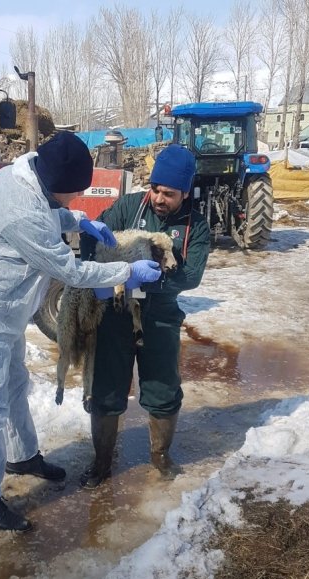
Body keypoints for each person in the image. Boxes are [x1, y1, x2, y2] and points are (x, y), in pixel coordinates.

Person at [0, 132, 161, 532]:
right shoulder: (21, 209)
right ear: (55, 182)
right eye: (73, 194)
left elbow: (48, 213)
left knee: (13, 385)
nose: (75, 199)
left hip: (1, 310)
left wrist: (79, 221)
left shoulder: (24, 177)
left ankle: (22, 456)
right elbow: (70, 271)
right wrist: (127, 272)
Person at [79, 144, 210, 488]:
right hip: (118, 312)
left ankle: (161, 456)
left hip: (161, 316)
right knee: (106, 388)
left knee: (163, 389)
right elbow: (94, 242)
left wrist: (158, 279)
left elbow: (192, 274)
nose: (159, 198)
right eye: (155, 188)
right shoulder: (128, 206)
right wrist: (109, 265)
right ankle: (102, 461)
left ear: (185, 191)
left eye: (168, 193)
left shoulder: (194, 225)